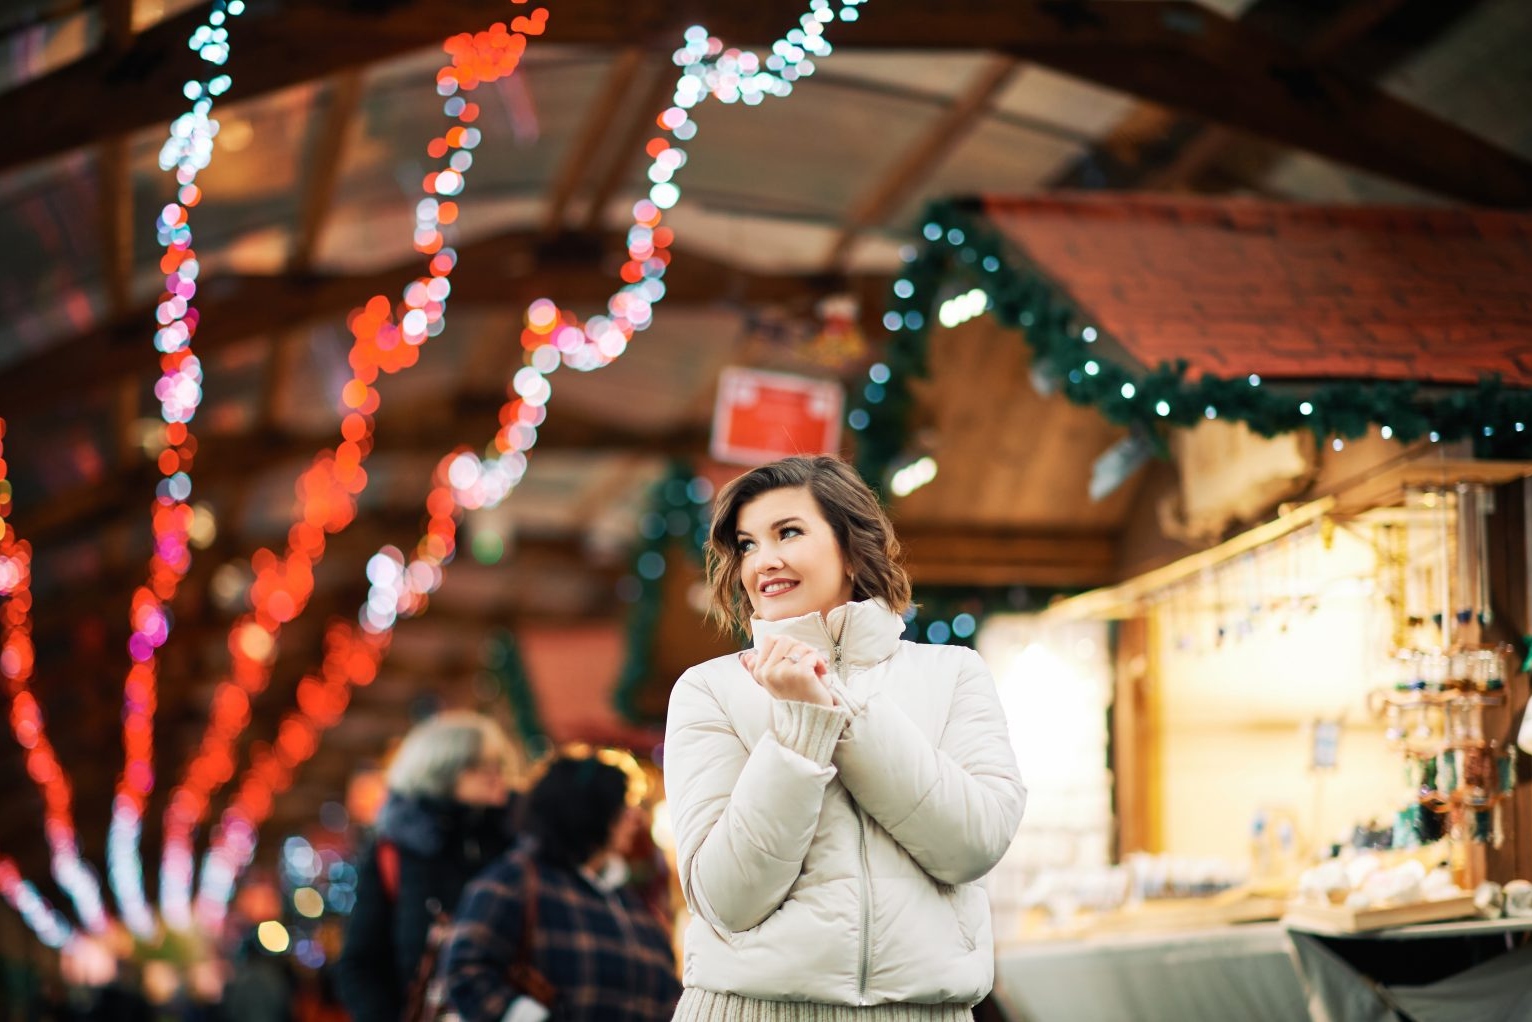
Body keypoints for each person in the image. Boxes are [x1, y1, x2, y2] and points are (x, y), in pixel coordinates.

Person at [664, 454, 1026, 1021]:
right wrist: (800, 731)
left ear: (852, 547)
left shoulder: (953, 673)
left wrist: (837, 710)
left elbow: (972, 845)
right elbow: (726, 898)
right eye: (747, 544)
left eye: (788, 532)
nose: (765, 560)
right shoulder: (708, 689)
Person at [440, 754, 682, 1022]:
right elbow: (465, 971)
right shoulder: (515, 880)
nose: (633, 817)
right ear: (589, 812)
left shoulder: (627, 899)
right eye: (621, 806)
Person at [335, 711, 521, 1022]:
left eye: (498, 763)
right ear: (440, 772)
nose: (494, 774)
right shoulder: (396, 852)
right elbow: (361, 963)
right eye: (476, 765)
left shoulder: (521, 845)